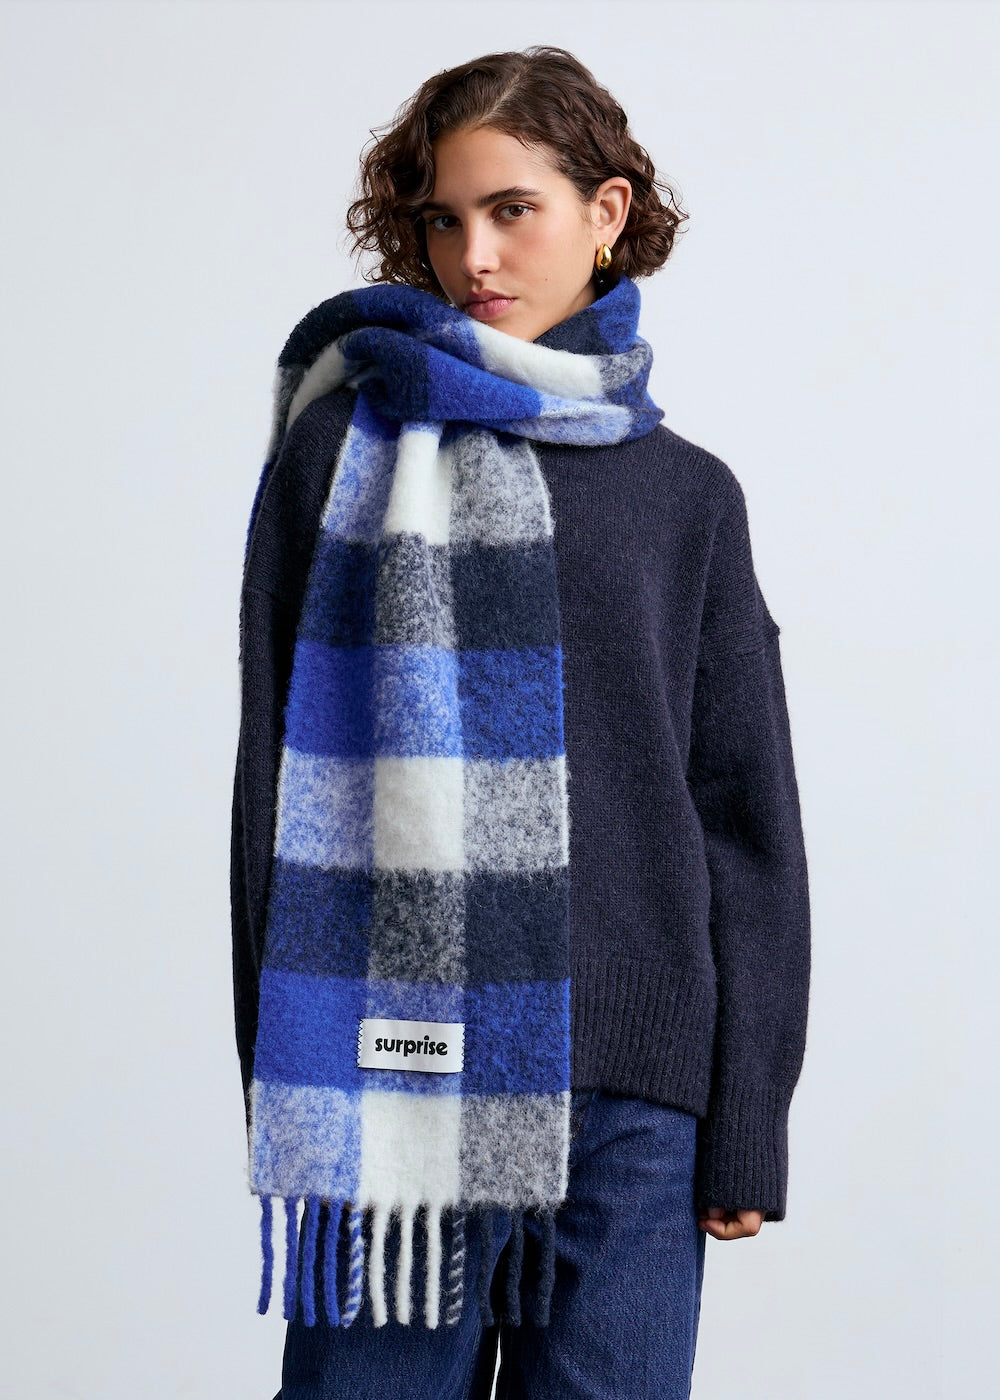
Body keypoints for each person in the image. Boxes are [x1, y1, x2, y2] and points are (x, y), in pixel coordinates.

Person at [230, 44, 811, 1400]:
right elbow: (275, 786)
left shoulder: (687, 497)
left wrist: (747, 1120)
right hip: (390, 1080)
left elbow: (744, 819)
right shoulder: (338, 453)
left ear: (606, 213)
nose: (474, 256)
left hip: (632, 1104)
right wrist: (284, 1074)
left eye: (513, 210)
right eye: (444, 219)